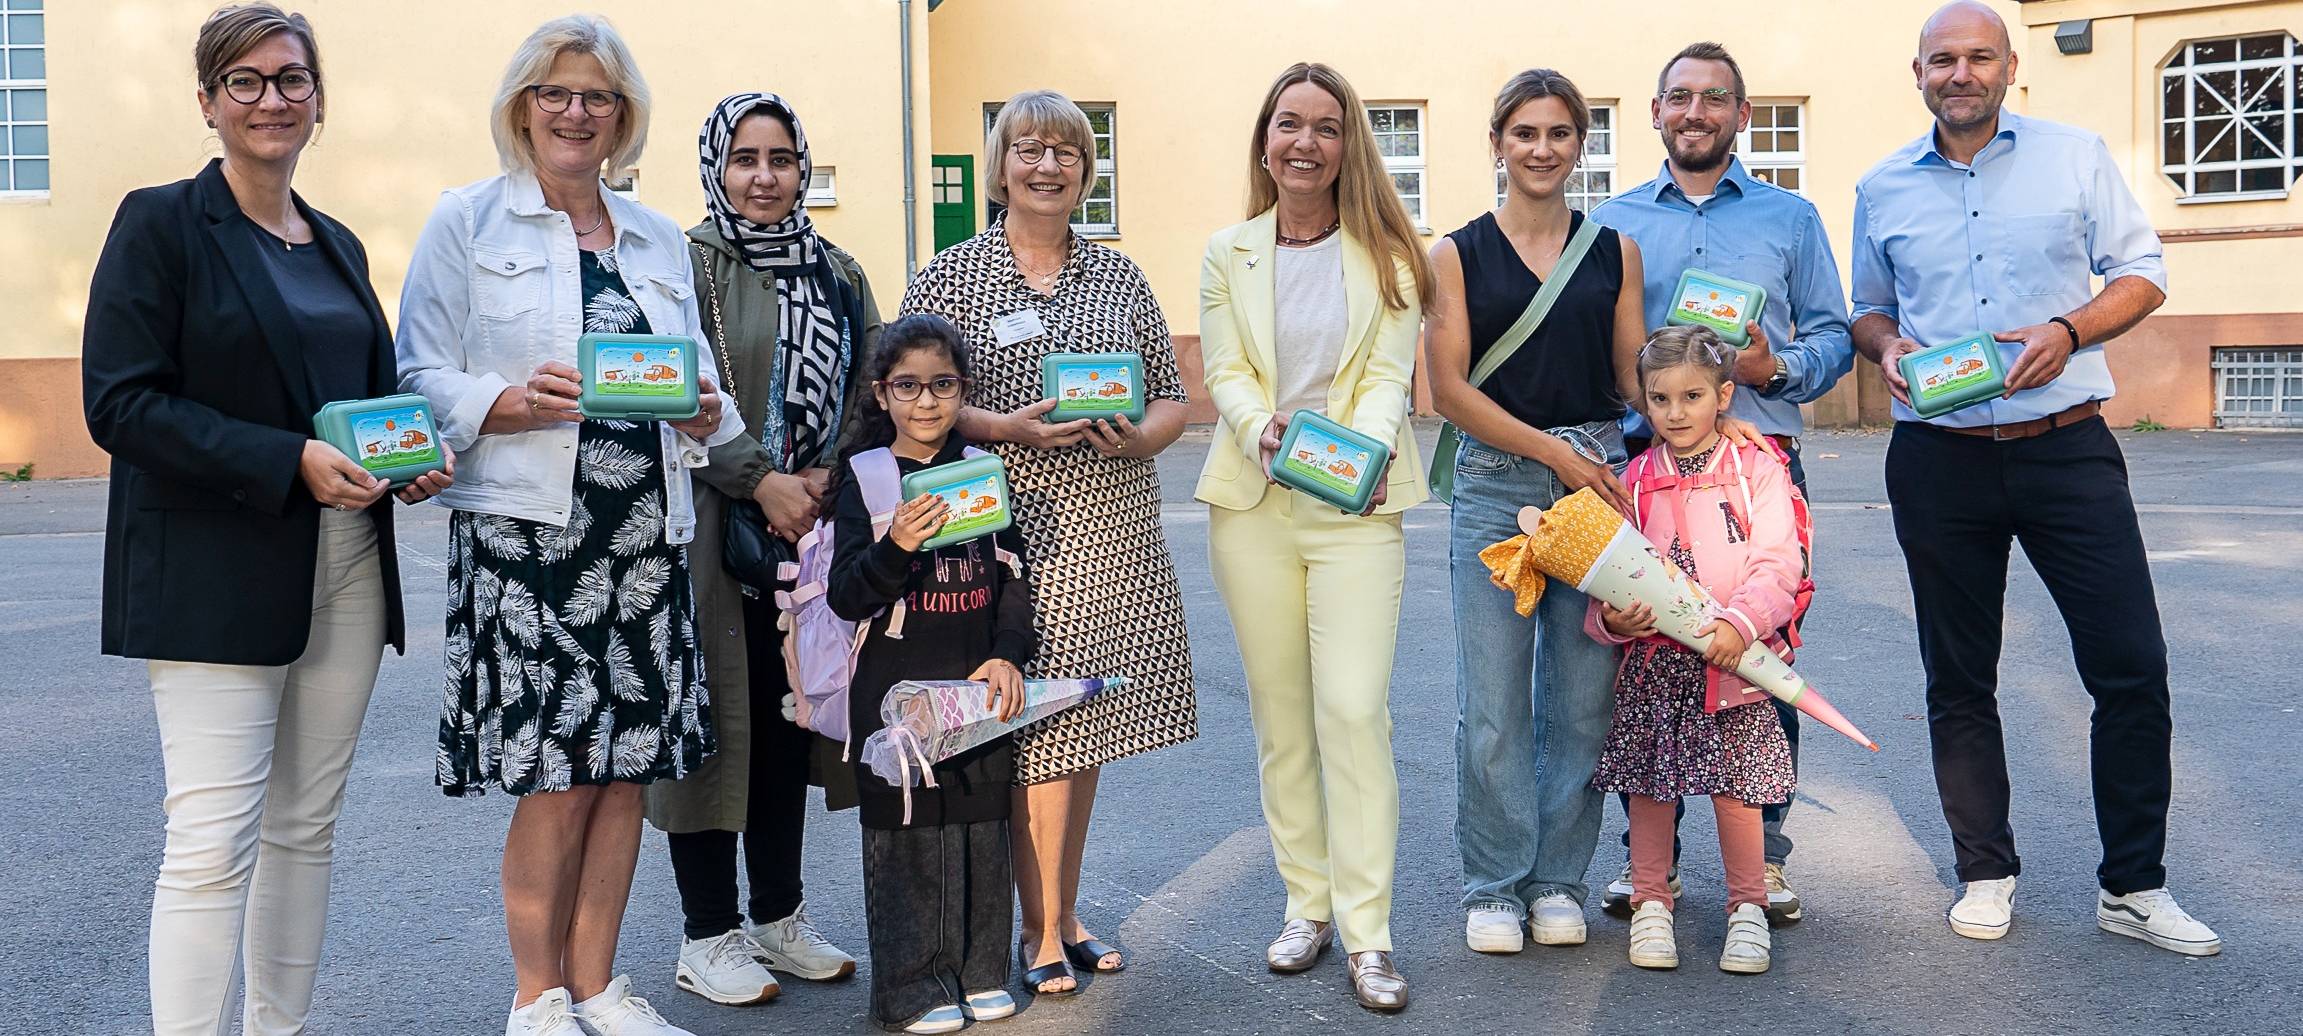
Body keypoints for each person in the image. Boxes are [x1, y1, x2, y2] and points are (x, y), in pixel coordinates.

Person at [83, 5, 454, 1033]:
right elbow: (121, 403)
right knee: (211, 843)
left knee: (304, 830)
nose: (270, 99)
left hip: (346, 563)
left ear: (318, 101)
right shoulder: (160, 224)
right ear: (208, 102)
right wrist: (286, 459)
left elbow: (363, 399)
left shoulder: (335, 244)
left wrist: (407, 456)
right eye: (243, 81)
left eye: (291, 79)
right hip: (215, 571)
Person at [395, 15, 745, 1035]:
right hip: (528, 539)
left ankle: (597, 985)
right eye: (556, 92)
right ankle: (535, 996)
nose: (576, 112)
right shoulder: (467, 220)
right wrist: (507, 403)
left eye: (598, 96)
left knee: (624, 771)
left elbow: (699, 386)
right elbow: (417, 372)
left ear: (623, 116)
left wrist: (705, 412)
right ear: (522, 106)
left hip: (643, 536)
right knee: (555, 776)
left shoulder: (657, 237)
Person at [1851, 0, 2219, 956]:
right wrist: (1884, 347)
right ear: (1918, 73)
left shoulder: (2074, 155)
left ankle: (2132, 886)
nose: (1960, 73)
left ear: (2009, 67)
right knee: (1957, 677)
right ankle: (1985, 872)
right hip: (1938, 458)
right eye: (1942, 59)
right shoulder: (1881, 186)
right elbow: (1869, 308)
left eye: (1978, 56)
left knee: (2130, 667)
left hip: (2066, 448)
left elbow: (2141, 273)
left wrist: (2068, 330)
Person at [899, 89, 1199, 998]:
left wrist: (1142, 438)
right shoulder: (951, 276)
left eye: (1066, 151)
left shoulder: (1118, 276)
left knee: (1084, 720)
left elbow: (1170, 395)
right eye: (1027, 148)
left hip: (1109, 528)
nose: (1046, 165)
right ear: (999, 167)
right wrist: (1003, 427)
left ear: (1085, 170)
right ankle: (1036, 926)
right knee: (1035, 725)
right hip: (1004, 532)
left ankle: (1060, 912)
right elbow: (914, 394)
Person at [1588, 40, 1854, 922]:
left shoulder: (1790, 219)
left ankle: (1764, 857)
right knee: (1643, 662)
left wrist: (1773, 370)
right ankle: (1647, 862)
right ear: (1655, 112)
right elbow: (1597, 343)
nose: (1694, 112)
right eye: (1678, 97)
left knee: (1756, 652)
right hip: (1646, 473)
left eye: (1713, 98)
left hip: (1755, 466)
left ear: (1742, 114)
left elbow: (1834, 337)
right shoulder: (1614, 221)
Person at [1195, 62, 1428, 1013]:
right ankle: (1307, 905)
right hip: (1252, 504)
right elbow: (1225, 368)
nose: (1306, 142)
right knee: (1282, 717)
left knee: (1353, 712)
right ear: (1265, 141)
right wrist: (1264, 432)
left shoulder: (1391, 257)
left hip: (1355, 508)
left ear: (1346, 146)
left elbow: (1386, 379)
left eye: (1326, 127)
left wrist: (1350, 457)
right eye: (1289, 124)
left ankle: (1369, 933)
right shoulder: (1228, 252)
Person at [643, 90, 873, 1009]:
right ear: (716, 168)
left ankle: (779, 916)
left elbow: (871, 387)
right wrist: (760, 478)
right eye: (745, 159)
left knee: (788, 721)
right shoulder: (681, 265)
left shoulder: (837, 270)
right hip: (705, 527)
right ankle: (707, 934)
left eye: (781, 159)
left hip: (810, 531)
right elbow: (670, 392)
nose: (764, 178)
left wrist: (824, 479)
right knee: (710, 728)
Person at [1425, 68, 1643, 956]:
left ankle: (1557, 881)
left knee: (1584, 700)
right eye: (1524, 133)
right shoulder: (1455, 254)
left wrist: (1707, 405)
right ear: (1497, 143)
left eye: (1558, 133)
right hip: (1494, 484)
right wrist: (1553, 455)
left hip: (1596, 483)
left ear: (1579, 146)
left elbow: (1631, 377)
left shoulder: (1614, 251)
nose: (1541, 149)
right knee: (1494, 704)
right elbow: (1447, 390)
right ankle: (1494, 884)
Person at [826, 314, 1037, 1034]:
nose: (926, 401)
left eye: (943, 385)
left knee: (981, 826)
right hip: (895, 694)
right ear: (882, 393)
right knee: (909, 833)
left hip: (977, 686)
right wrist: (896, 545)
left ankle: (979, 972)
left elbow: (1012, 577)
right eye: (908, 386)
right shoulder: (866, 476)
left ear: (963, 389)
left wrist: (1008, 653)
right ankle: (909, 988)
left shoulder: (982, 470)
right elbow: (847, 595)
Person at [1586, 325, 1803, 976]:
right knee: (1651, 786)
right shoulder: (1632, 480)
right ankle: (1651, 902)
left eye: (1692, 396)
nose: (1675, 413)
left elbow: (1778, 562)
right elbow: (1609, 573)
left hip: (1733, 659)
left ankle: (1747, 907)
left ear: (1723, 396)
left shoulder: (1757, 468)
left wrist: (1742, 623)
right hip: (1654, 666)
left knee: (1738, 790)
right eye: (1659, 399)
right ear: (1644, 402)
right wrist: (1613, 622)